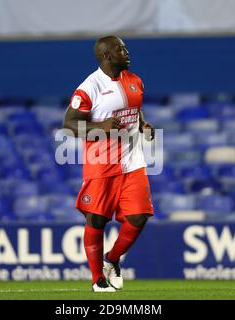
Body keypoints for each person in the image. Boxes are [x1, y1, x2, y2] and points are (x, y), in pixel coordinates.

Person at [63, 35, 155, 292]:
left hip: (133, 161)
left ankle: (112, 259)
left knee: (138, 218)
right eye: (120, 49)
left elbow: (135, 111)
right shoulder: (89, 87)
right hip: (101, 163)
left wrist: (143, 124)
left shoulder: (135, 81)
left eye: (125, 48)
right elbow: (69, 125)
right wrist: (100, 127)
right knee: (97, 221)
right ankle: (97, 280)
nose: (126, 52)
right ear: (106, 56)